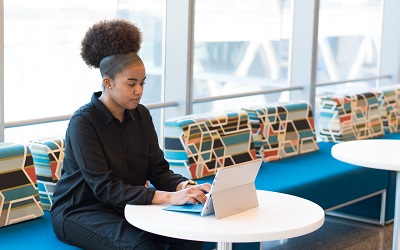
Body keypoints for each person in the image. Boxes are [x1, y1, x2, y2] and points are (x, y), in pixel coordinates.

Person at [51, 19, 211, 250]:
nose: (139, 91)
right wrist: (168, 198)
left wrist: (185, 187)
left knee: (189, 233)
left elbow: (157, 169)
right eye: (131, 84)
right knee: (142, 247)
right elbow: (105, 188)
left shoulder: (141, 115)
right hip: (81, 212)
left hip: (127, 206)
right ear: (107, 82)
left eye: (143, 83)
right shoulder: (84, 122)